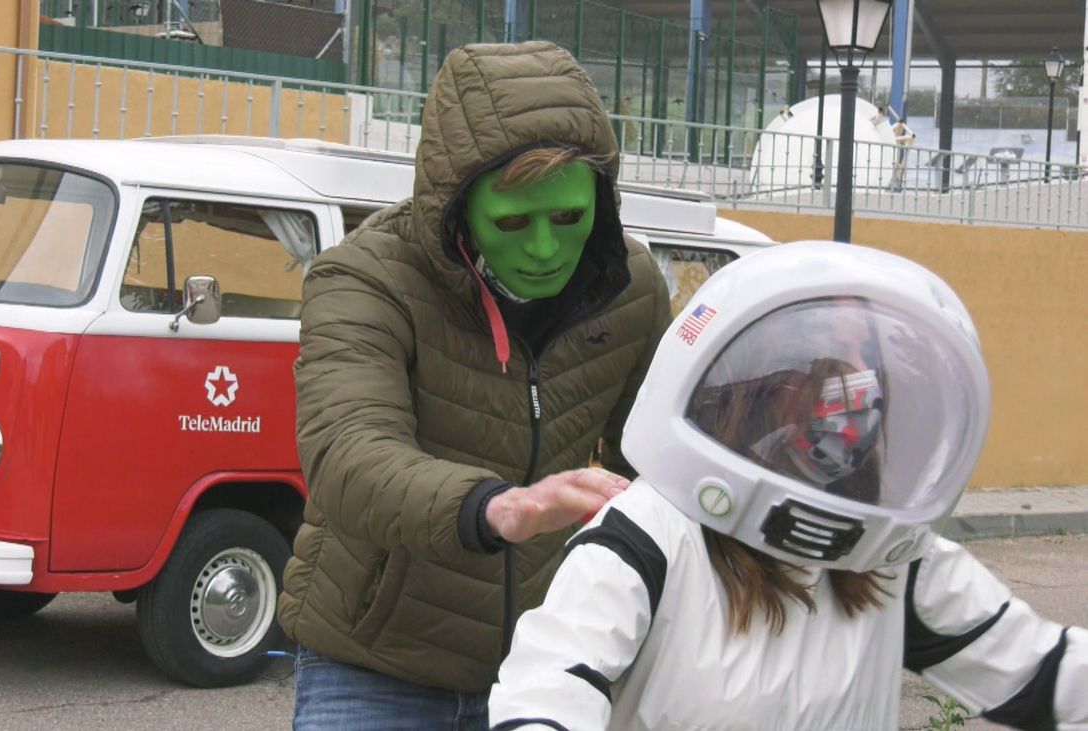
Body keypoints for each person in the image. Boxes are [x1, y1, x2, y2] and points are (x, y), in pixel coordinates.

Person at [488, 241, 1087, 731]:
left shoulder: (890, 557)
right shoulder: (648, 538)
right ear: (758, 381)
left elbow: (1045, 677)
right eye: (826, 361)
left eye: (865, 361)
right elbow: (545, 691)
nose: (853, 385)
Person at [278, 41, 671, 729]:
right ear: (456, 207)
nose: (546, 248)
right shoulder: (366, 279)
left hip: (547, 665)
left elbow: (660, 461)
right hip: (374, 661)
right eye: (513, 222)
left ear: (600, 203)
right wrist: (496, 508)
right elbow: (346, 454)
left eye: (570, 218)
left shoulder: (631, 289)